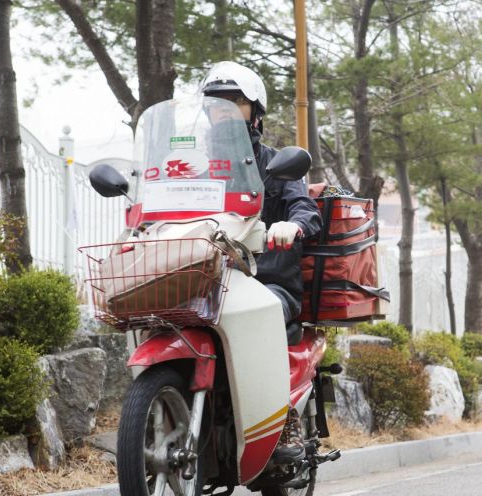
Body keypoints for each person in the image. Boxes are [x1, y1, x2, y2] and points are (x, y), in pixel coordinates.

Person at [202, 61, 322, 463]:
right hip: (210, 281)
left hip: (266, 282)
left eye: (233, 104)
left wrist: (291, 225)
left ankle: (283, 419)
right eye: (216, 107)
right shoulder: (201, 171)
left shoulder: (276, 165)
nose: (224, 114)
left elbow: (306, 209)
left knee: (267, 312)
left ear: (254, 111)